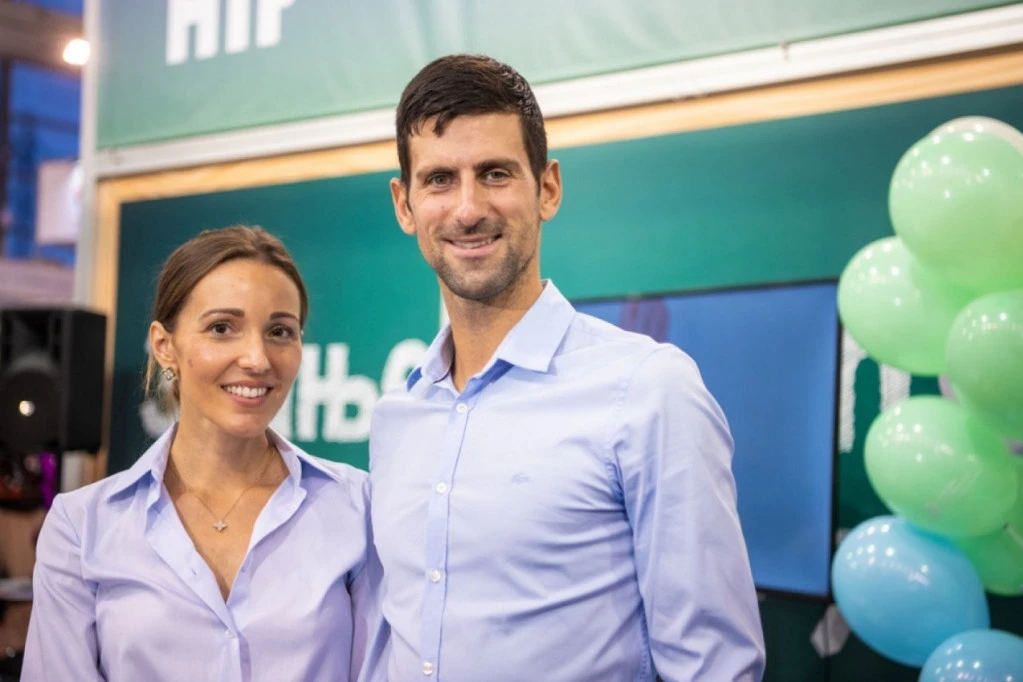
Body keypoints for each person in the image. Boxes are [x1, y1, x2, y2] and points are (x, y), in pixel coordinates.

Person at [370, 55, 766, 681]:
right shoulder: (398, 417)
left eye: (495, 173)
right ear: (405, 204)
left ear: (547, 188)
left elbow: (715, 668)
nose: (467, 209)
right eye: (440, 179)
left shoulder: (647, 389)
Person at [23, 226, 388, 682]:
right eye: (221, 328)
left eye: (280, 331)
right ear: (165, 346)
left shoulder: (357, 506)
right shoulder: (82, 526)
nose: (257, 359)